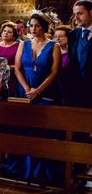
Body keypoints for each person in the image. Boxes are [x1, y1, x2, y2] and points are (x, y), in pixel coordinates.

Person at [13, 12, 62, 184]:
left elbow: (54, 72)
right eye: (31, 25)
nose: (33, 29)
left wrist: (38, 90)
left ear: (44, 27)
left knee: (43, 132)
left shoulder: (54, 46)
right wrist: (27, 89)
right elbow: (17, 68)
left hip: (46, 92)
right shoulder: (23, 44)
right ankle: (25, 170)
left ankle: (43, 173)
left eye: (37, 26)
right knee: (26, 131)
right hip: (25, 92)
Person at [64, 0, 92, 108]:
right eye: (74, 14)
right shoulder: (72, 35)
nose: (76, 18)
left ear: (91, 13)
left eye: (80, 13)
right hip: (76, 90)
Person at [0, 21, 20, 95]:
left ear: (14, 35)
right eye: (4, 31)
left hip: (12, 77)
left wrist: (7, 67)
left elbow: (20, 66)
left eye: (9, 32)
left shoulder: (18, 46)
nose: (6, 33)